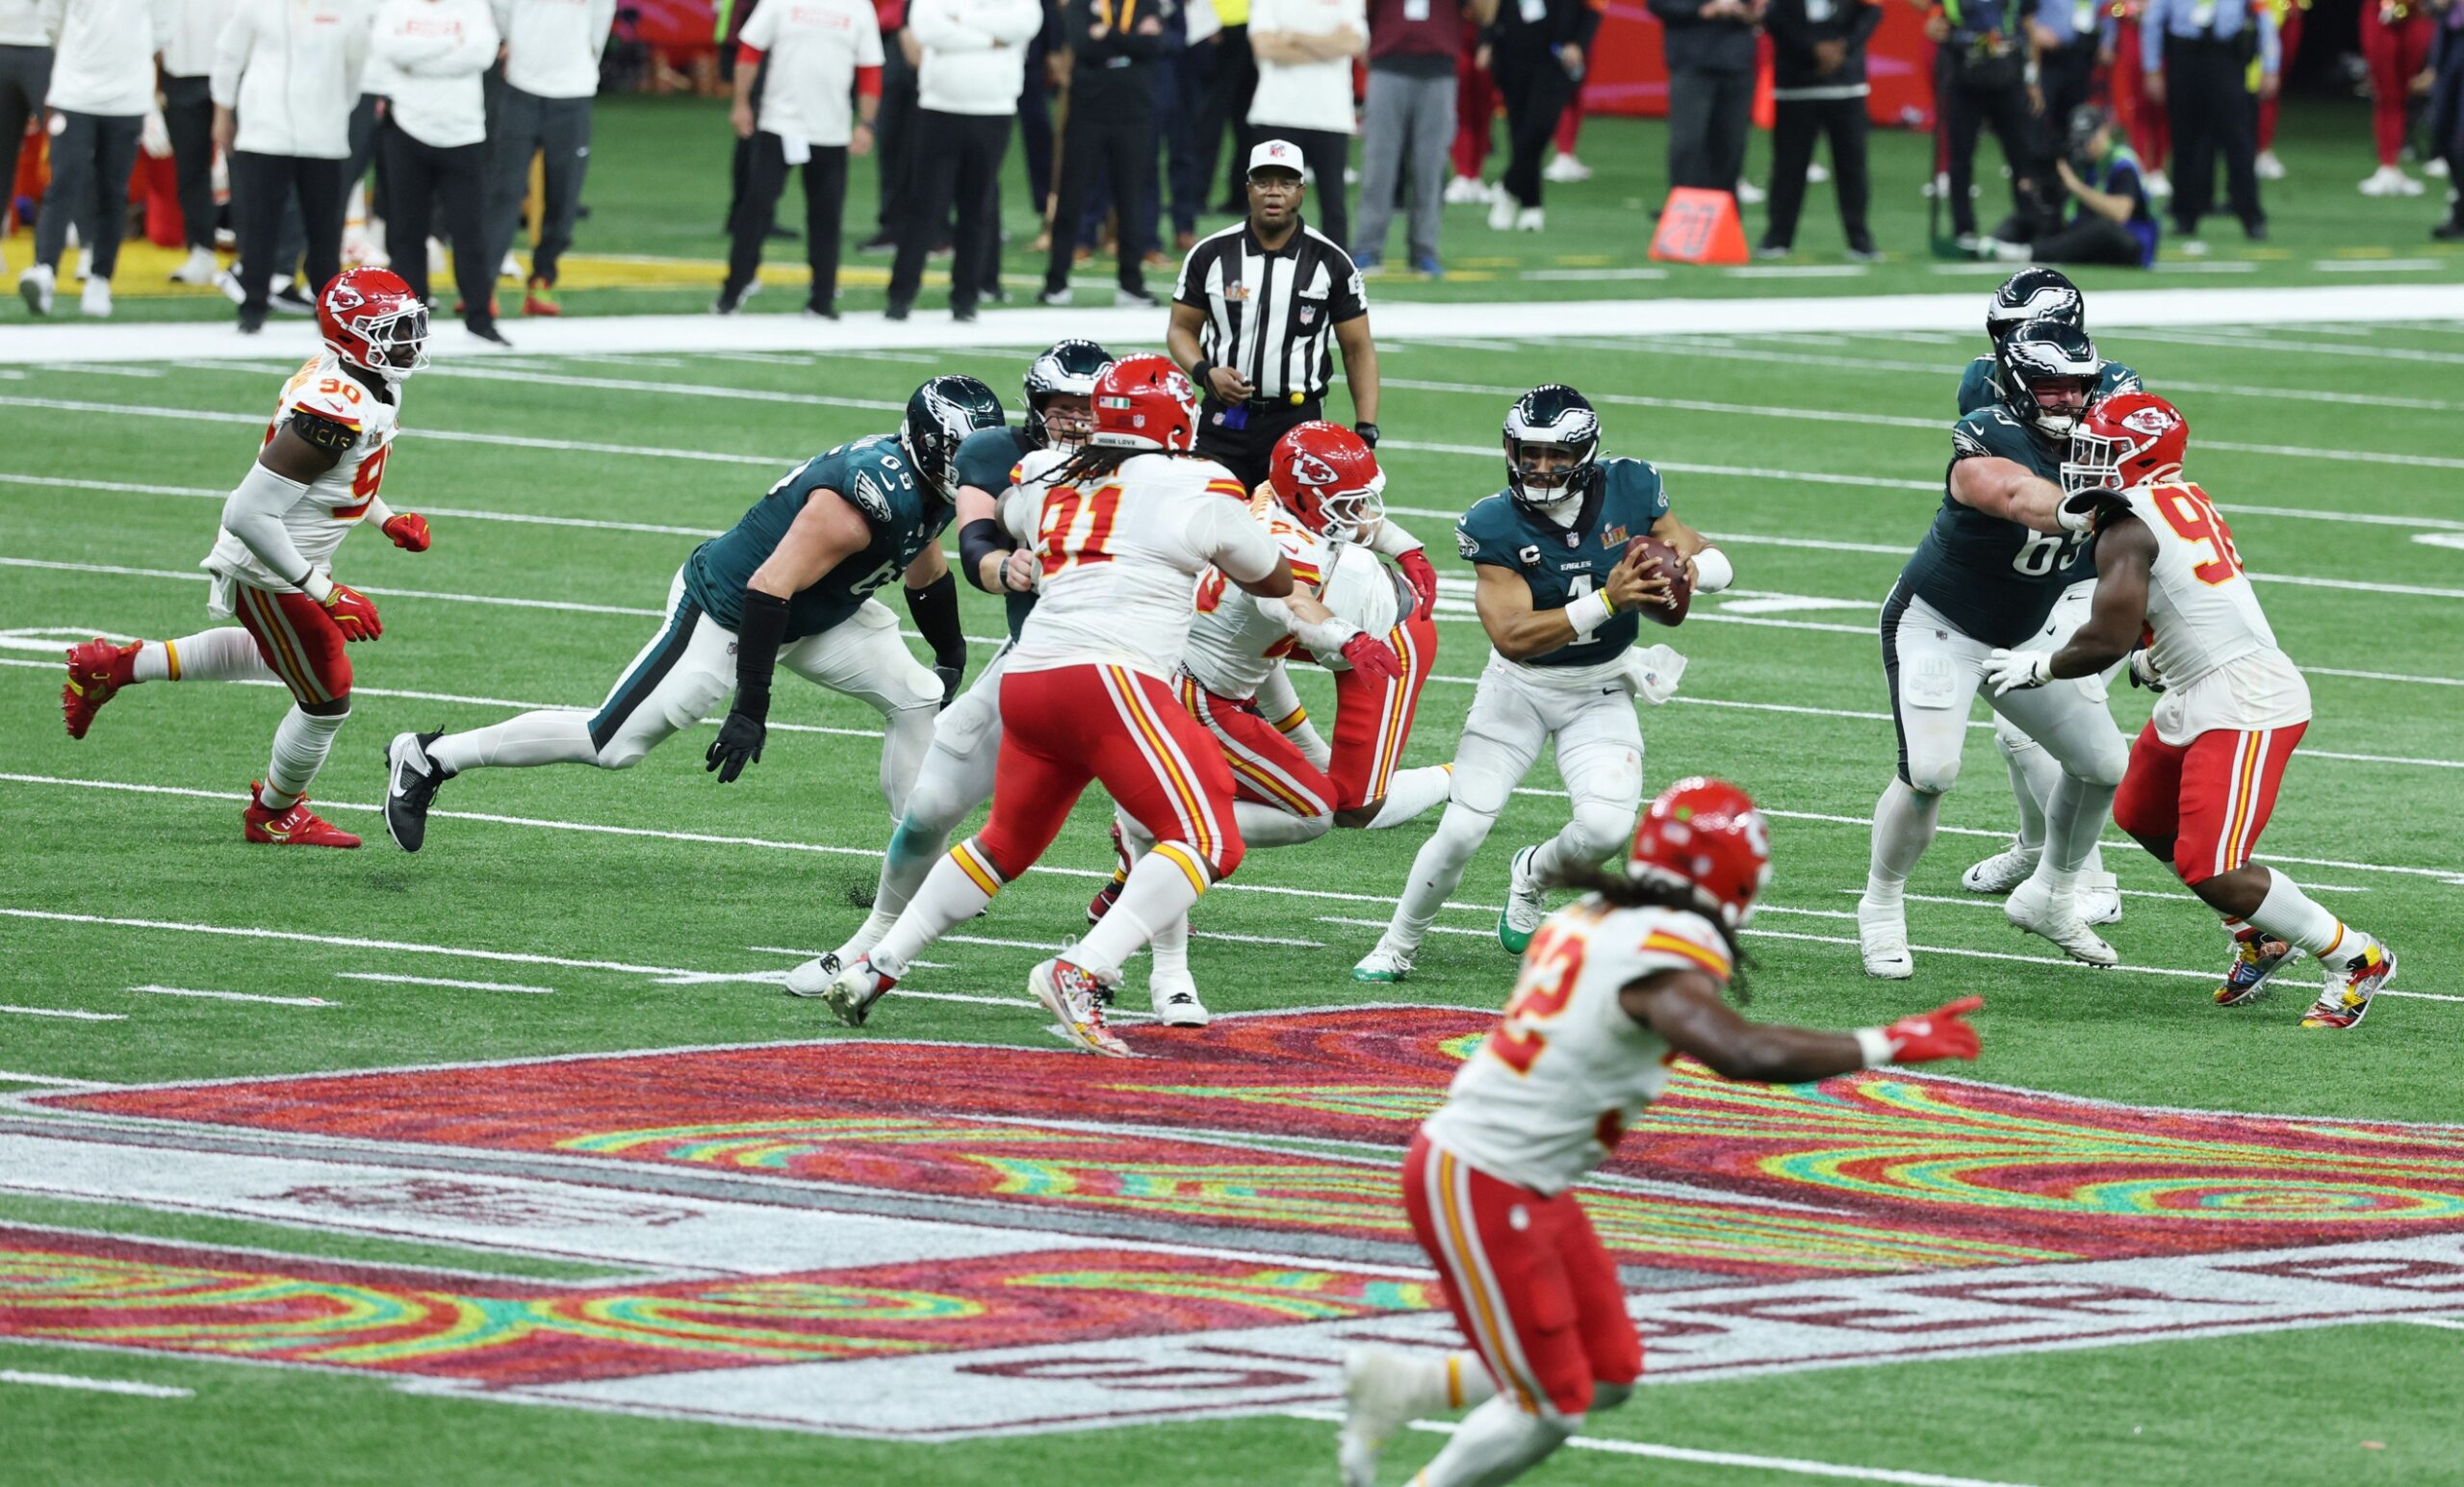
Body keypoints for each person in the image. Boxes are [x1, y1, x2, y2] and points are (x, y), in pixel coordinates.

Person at [1336, 778, 1986, 1487]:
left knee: (1608, 1372)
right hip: (1485, 1173)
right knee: (1552, 1406)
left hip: (1527, 1174)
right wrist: (1884, 1041)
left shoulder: (1596, 913)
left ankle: (1407, 1386)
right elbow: (1743, 1053)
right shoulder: (1658, 945)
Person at [815, 356, 1297, 1054]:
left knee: (1003, 842)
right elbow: (1273, 575)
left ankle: (878, 966)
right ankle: (1083, 969)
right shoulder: (1200, 482)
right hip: (1114, 676)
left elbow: (1002, 516)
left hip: (1032, 677)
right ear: (1174, 420)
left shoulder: (1045, 472)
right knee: (1207, 837)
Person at [377, 377, 1005, 853]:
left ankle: (913, 861)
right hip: (731, 610)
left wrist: (950, 653)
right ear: (926, 444)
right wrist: (749, 706)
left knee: (917, 695)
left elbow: (924, 566)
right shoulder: (862, 498)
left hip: (819, 613)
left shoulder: (929, 488)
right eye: (960, 449)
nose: (972, 463)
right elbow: (768, 589)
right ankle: (430, 757)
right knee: (612, 742)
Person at [1989, 393, 2400, 1030]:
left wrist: (2040, 666)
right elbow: (2193, 595)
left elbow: (2107, 634)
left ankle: (2355, 955)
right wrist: (2162, 657)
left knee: (2212, 865)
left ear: (2142, 456)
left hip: (2244, 700)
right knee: (2139, 811)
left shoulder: (2127, 524)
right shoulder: (2180, 495)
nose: (2090, 462)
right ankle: (2259, 933)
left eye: (2105, 451)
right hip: (2201, 684)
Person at [1353, 385, 1733, 983]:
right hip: (1520, 687)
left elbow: (1695, 548)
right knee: (1462, 828)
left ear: (1584, 452)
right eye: (1529, 452)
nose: (1540, 466)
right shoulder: (1492, 522)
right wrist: (1611, 598)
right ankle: (1396, 945)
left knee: (1606, 829)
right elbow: (1512, 634)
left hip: (1602, 684)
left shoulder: (1631, 485)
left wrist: (1696, 570)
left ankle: (1531, 874)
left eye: (1556, 455)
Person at [62, 269, 433, 849]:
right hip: (271, 564)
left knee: (284, 659)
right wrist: (325, 592)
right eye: (393, 329)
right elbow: (247, 512)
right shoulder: (332, 411)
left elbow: (329, 478)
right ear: (351, 335)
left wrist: (384, 517)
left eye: (411, 325)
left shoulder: (364, 381)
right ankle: (274, 814)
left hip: (288, 555)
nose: (409, 340)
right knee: (326, 696)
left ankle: (114, 666)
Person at [793, 339, 1113, 992]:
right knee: (933, 804)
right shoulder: (1002, 457)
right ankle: (871, 943)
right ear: (1035, 405)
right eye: (1062, 407)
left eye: (1090, 407)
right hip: (1036, 661)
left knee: (1177, 825)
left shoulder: (1158, 472)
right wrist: (1006, 568)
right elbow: (976, 547)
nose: (1077, 422)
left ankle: (1156, 969)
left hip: (1137, 670)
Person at [1858, 319, 2131, 979]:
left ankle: (2053, 893)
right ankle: (1881, 905)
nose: (2067, 400)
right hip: (1941, 622)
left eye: (2078, 387)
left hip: (2028, 631)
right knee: (1930, 773)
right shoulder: (1989, 427)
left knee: (2102, 764)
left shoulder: (2111, 428)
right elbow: (2007, 491)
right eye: (2050, 386)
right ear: (2015, 383)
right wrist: (2077, 506)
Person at [1952, 269, 2140, 927]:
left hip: (2106, 577)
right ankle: (2037, 847)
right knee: (2017, 730)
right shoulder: (1986, 385)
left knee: (2024, 717)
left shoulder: (2115, 390)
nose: (2006, 350)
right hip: (2040, 574)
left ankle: (2086, 878)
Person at [1169, 139, 1380, 490]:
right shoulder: (1210, 254)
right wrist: (1205, 372)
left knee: (1290, 535)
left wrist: (1366, 427)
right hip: (1222, 419)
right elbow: (1180, 328)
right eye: (1264, 182)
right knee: (1206, 529)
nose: (1274, 193)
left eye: (1285, 183)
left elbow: (1358, 349)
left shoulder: (1331, 261)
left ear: (1301, 191)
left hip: (1296, 422)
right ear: (1248, 188)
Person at [212, 0, 368, 333]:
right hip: (264, 130)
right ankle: (252, 307)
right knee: (259, 225)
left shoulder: (349, 9)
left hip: (324, 134)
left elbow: (355, 68)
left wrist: (336, 108)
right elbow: (229, 56)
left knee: (325, 229)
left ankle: (328, 313)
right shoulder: (256, 6)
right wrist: (223, 111)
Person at [719, 0, 883, 318]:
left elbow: (870, 69)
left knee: (827, 216)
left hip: (831, 129)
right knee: (756, 207)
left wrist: (866, 123)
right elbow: (750, 49)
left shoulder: (859, 7)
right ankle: (733, 289)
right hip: (780, 124)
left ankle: (822, 297)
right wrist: (741, 103)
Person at [886, 0, 1036, 320]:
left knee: (977, 207)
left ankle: (965, 297)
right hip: (939, 107)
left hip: (994, 108)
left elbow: (1025, 23)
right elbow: (926, 27)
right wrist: (989, 38)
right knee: (925, 205)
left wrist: (961, 19)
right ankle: (901, 294)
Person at [17, 0, 164, 317]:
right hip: (74, 92)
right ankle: (44, 270)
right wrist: (82, 54)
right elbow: (51, 19)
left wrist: (129, 57)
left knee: (113, 190)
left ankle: (100, 278)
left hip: (127, 98)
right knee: (63, 181)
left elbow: (164, 27)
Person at [373, 0, 505, 343]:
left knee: (469, 232)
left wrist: (416, 59)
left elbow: (482, 54)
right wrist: (450, 46)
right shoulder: (398, 6)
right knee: (405, 233)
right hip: (406, 127)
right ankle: (409, 324)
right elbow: (387, 47)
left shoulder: (473, 6)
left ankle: (480, 318)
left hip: (463, 132)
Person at [484, 0, 616, 320]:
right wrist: (511, 41)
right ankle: (483, 287)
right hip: (520, 87)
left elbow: (601, 18)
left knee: (564, 195)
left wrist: (587, 60)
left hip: (573, 91)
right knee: (504, 192)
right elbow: (500, 10)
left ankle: (542, 278)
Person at [1039, 0, 1165, 306]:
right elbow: (1083, 46)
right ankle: (1056, 282)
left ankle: (1131, 284)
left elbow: (1155, 47)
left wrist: (1106, 33)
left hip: (1134, 112)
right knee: (1072, 196)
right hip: (1088, 112)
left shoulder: (1147, 4)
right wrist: (1130, 43)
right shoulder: (1080, 5)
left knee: (1131, 198)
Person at [1355, 0, 1492, 274]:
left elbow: (1484, 15)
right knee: (1378, 165)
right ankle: (1367, 248)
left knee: (1430, 167)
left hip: (1438, 71)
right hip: (1387, 65)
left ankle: (1424, 250)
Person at [2142, 0, 2275, 242]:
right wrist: (2152, 69)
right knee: (2184, 141)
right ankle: (2184, 214)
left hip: (2227, 59)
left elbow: (2264, 18)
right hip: (2185, 58)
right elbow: (2153, 21)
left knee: (2239, 141)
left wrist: (2271, 66)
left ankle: (2250, 214)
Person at [1757, 0, 1879, 258]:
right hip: (1795, 82)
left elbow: (1872, 12)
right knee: (1789, 166)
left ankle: (1860, 239)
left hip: (1847, 82)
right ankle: (1778, 237)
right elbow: (1772, 16)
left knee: (1852, 165)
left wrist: (1844, 47)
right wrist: (1812, 49)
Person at [1245, 0, 1365, 253]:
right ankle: (1260, 268)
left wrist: (1293, 36)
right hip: (1277, 113)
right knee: (1269, 203)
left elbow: (1353, 43)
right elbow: (1264, 47)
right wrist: (1327, 46)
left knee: (1334, 207)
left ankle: (1339, 278)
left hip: (1330, 116)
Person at [1935, 0, 2051, 250]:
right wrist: (1934, 24)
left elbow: (2029, 28)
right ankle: (1963, 229)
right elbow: (1934, 14)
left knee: (2021, 156)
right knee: (1960, 157)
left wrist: (2032, 79)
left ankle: (2029, 224)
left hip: (2008, 77)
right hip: (1964, 76)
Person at [1979, 104, 2158, 264]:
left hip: (2130, 241)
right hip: (2087, 232)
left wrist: (2075, 186)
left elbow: (2120, 213)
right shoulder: (2083, 162)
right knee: (2032, 216)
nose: (2085, 146)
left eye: (2089, 139)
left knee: (2101, 229)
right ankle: (1991, 244)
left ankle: (2028, 253)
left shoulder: (2122, 163)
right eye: (2081, 140)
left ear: (2104, 131)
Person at [1483, 0, 1595, 230]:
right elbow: (1490, 6)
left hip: (1555, 57)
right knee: (1519, 130)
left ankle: (1509, 187)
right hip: (1510, 54)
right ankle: (1531, 206)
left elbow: (1594, 8)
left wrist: (1579, 42)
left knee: (1538, 129)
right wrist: (1485, 41)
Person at [1649, 0, 1759, 201]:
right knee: (1688, 143)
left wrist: (1753, 11)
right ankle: (1683, 207)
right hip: (1691, 62)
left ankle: (1725, 213)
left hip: (1737, 61)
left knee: (1731, 145)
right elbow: (1658, 4)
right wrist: (1705, 9)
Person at [160, 0, 234, 286]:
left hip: (237, 65)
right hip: (180, 68)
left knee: (246, 171)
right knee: (190, 169)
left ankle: (253, 256)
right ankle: (201, 250)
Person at [2360, 0, 2433, 196]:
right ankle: (2387, 165)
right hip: (2381, 14)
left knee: (2401, 95)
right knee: (2387, 95)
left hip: (2416, 13)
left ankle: (2392, 165)